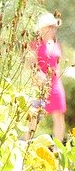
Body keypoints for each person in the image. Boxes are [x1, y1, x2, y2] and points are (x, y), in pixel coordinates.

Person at [29, 12, 66, 141]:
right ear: (42, 28)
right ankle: (26, 147)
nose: (52, 29)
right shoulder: (35, 44)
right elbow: (31, 66)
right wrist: (39, 76)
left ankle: (58, 151)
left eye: (54, 27)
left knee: (59, 116)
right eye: (49, 26)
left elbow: (58, 65)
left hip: (56, 84)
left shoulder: (55, 43)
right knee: (33, 116)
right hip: (39, 86)